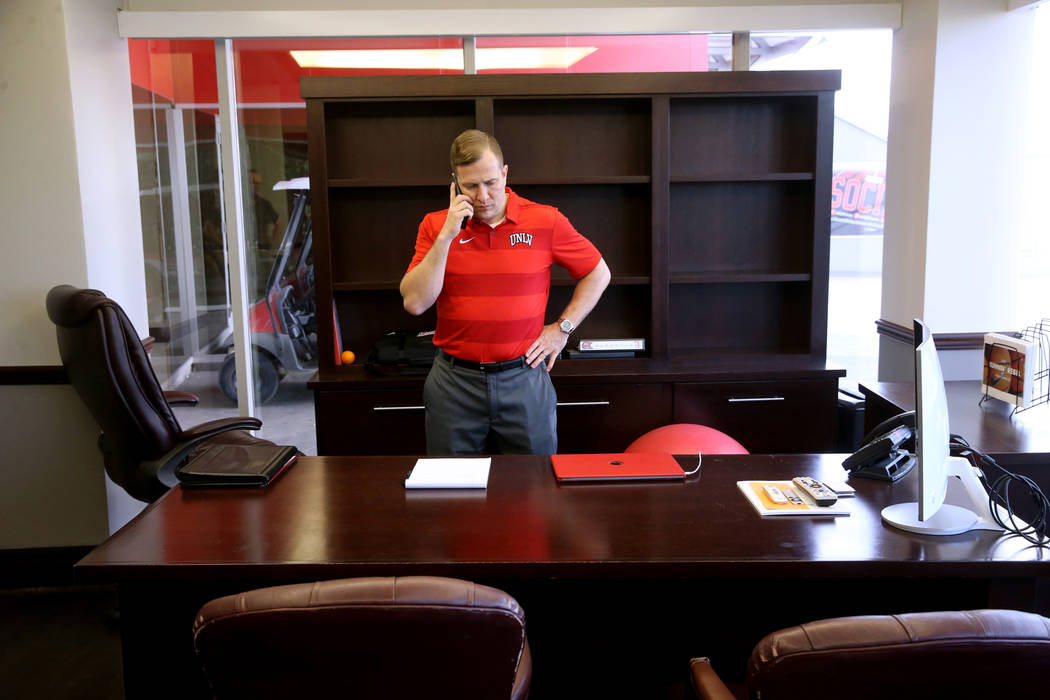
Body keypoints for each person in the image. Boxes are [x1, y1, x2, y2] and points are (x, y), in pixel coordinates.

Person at [400, 129, 611, 455]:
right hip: (455, 383)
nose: (483, 195)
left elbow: (598, 273)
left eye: (491, 183)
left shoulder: (545, 220)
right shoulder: (435, 225)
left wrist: (562, 328)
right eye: (470, 186)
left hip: (523, 378)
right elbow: (415, 303)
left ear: (505, 174)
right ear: (454, 183)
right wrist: (447, 236)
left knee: (533, 491)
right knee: (453, 497)